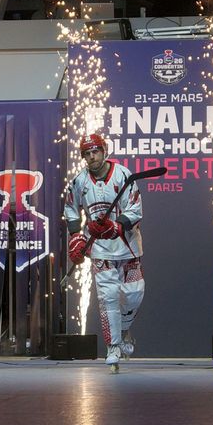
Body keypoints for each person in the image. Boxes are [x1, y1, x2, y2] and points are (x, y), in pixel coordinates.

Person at [64, 134, 145, 373]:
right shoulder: (79, 181)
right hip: (100, 250)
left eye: (95, 152)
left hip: (128, 246)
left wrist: (117, 226)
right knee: (108, 298)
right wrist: (76, 237)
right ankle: (113, 347)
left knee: (134, 294)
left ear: (104, 150)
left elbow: (135, 208)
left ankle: (124, 328)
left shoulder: (123, 175)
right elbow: (70, 209)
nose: (92, 157)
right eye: (87, 154)